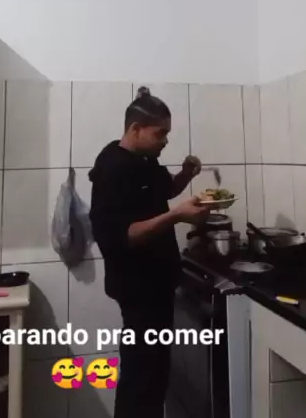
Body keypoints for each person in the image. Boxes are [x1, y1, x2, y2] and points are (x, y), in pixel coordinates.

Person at [89, 87, 212, 418]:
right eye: (161, 133)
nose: (166, 141)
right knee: (141, 379)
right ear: (135, 129)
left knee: (154, 375)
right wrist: (177, 215)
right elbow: (120, 236)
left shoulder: (146, 160)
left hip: (158, 285)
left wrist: (186, 175)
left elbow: (164, 190)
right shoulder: (112, 168)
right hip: (137, 289)